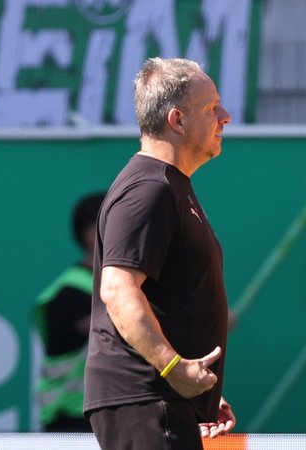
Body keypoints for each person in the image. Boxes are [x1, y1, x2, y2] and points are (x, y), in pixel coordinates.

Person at [83, 57, 235, 450]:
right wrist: (173, 367)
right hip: (145, 397)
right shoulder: (148, 190)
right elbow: (118, 289)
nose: (225, 116)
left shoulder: (169, 187)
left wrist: (198, 390)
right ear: (177, 121)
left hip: (160, 398)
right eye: (211, 108)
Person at [33, 192, 105, 432]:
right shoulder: (70, 291)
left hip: (109, 416)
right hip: (70, 420)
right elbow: (113, 327)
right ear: (87, 234)